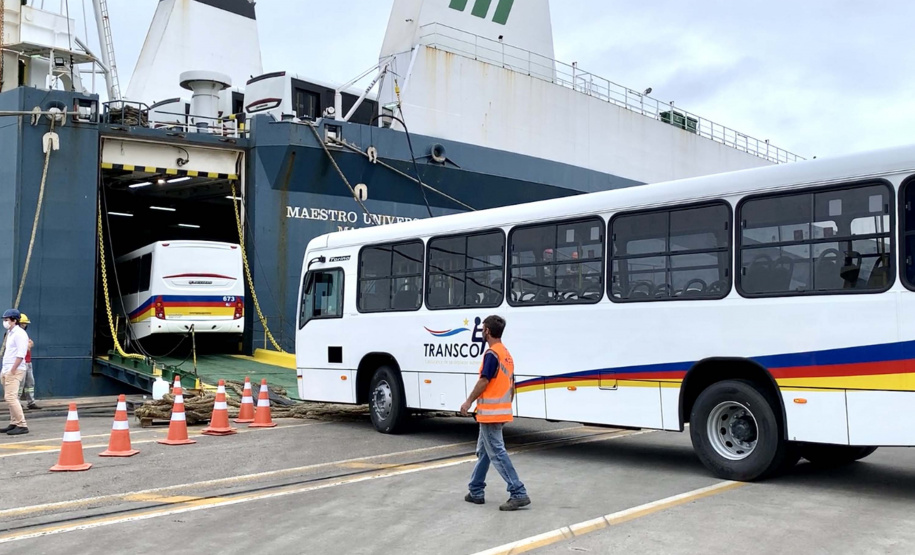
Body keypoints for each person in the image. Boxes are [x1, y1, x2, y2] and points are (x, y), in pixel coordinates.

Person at [460, 315, 530, 511]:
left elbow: (484, 381)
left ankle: (518, 492)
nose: (482, 332)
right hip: (498, 412)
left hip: (491, 414)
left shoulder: (492, 354)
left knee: (497, 453)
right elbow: (512, 386)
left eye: (483, 329)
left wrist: (468, 401)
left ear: (487, 332)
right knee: (485, 452)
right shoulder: (506, 354)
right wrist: (505, 408)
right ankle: (475, 490)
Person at [1, 309, 29, 435]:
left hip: (14, 370)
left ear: (14, 320)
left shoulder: (20, 334)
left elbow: (21, 353)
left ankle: (22, 425)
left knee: (10, 397)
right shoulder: (10, 332)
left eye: (7, 320)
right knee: (11, 397)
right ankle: (14, 422)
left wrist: (12, 369)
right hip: (7, 369)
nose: (5, 322)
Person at [18, 313, 37, 410]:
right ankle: (16, 403)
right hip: (20, 363)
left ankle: (31, 402)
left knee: (30, 383)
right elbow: (26, 347)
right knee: (20, 384)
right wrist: (28, 345)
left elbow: (30, 344)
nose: (25, 325)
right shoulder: (14, 334)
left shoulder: (23, 334)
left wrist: (29, 345)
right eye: (23, 323)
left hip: (28, 362)